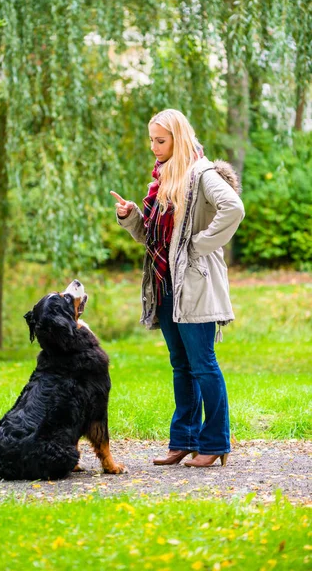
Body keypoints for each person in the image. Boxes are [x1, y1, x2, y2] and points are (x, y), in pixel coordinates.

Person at [111, 109, 245, 468]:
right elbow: (154, 238)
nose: (154, 147)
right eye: (152, 140)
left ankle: (215, 442)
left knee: (203, 364)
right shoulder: (163, 178)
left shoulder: (200, 173)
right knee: (181, 365)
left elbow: (232, 208)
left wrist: (199, 244)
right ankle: (184, 440)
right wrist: (130, 218)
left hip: (196, 283)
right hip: (166, 284)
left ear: (178, 138)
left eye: (161, 140)